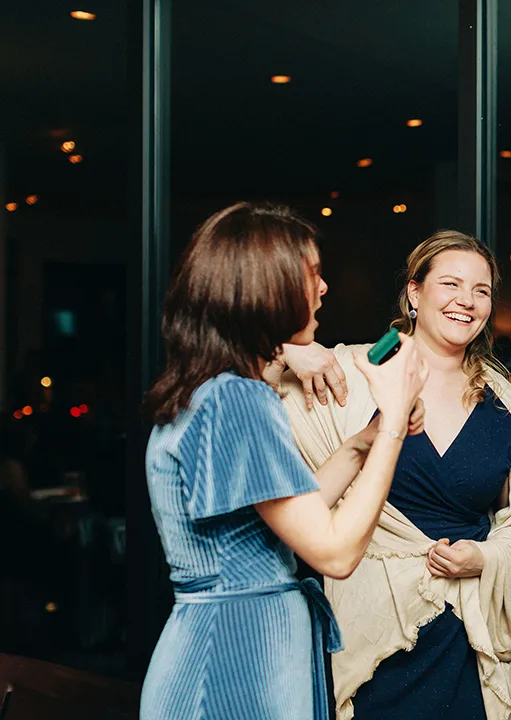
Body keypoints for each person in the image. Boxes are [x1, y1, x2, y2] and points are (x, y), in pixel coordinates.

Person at [140, 202, 427, 720]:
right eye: (312, 274)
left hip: (235, 643)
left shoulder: (210, 391)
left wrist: (362, 442)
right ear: (265, 290)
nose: (323, 289)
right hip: (237, 658)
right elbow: (335, 553)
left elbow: (289, 517)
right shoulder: (238, 400)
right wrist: (392, 423)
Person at [278, 230, 511, 720]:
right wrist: (286, 353)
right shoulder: (350, 373)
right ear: (415, 293)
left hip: (465, 639)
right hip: (370, 638)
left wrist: (484, 557)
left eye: (481, 290)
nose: (466, 301)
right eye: (450, 284)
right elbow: (232, 385)